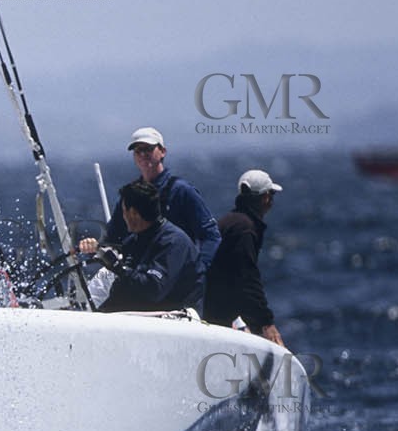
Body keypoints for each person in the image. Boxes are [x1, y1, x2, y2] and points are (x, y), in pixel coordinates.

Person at [82, 127, 221, 274]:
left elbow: (210, 235)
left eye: (147, 149)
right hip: (143, 279)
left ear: (162, 151)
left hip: (176, 278)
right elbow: (114, 237)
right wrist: (93, 247)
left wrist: (198, 270)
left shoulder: (181, 191)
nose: (142, 154)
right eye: (137, 151)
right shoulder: (130, 195)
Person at [204, 169, 285, 346]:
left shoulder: (231, 221)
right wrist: (266, 323)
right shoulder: (245, 228)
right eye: (271, 195)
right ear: (265, 198)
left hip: (211, 306)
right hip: (223, 314)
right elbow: (247, 278)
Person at [95, 180, 203, 313]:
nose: (122, 217)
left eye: (123, 211)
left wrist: (118, 267)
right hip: (144, 315)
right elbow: (126, 285)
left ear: (133, 213)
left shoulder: (173, 243)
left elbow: (154, 290)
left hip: (176, 318)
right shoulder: (135, 241)